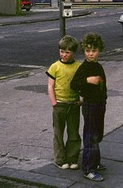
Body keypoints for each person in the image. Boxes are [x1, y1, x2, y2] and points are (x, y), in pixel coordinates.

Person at [70, 32, 107, 182]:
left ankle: (95, 163)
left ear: (99, 50)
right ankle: (88, 169)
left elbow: (102, 85)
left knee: (97, 135)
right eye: (87, 51)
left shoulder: (98, 66)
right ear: (84, 51)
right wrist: (87, 80)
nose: (90, 54)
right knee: (90, 137)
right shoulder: (84, 68)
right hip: (90, 106)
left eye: (94, 50)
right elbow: (74, 84)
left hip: (99, 104)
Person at [46, 35, 82, 170]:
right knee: (58, 133)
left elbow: (83, 85)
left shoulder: (79, 67)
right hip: (59, 105)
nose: (64, 55)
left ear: (73, 53)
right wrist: (54, 102)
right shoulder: (55, 67)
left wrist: (81, 100)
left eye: (67, 52)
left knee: (73, 133)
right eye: (62, 51)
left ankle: (72, 158)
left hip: (73, 104)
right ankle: (60, 159)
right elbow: (50, 86)